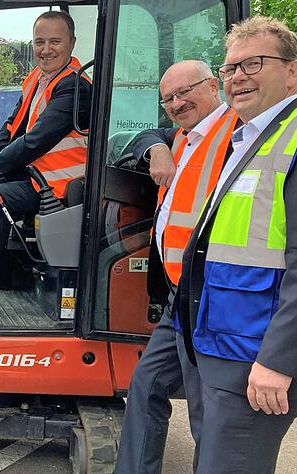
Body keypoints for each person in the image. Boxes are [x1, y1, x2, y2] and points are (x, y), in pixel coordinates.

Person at [176, 16, 297, 473]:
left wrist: (278, 361)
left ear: (293, 70)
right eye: (230, 68)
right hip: (225, 342)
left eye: (253, 63)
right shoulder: (253, 136)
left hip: (257, 356)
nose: (238, 77)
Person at [115, 60, 238, 474]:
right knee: (147, 383)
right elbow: (142, 135)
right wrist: (157, 147)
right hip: (178, 295)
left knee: (208, 408)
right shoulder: (184, 137)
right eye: (167, 98)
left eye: (185, 92)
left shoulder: (237, 134)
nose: (176, 103)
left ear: (214, 84)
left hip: (211, 294)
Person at [0, 11, 92, 311]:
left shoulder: (76, 86)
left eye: (55, 41)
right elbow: (13, 126)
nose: (46, 49)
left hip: (59, 184)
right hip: (37, 176)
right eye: (40, 42)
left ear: (72, 43)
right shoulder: (38, 79)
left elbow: (37, 139)